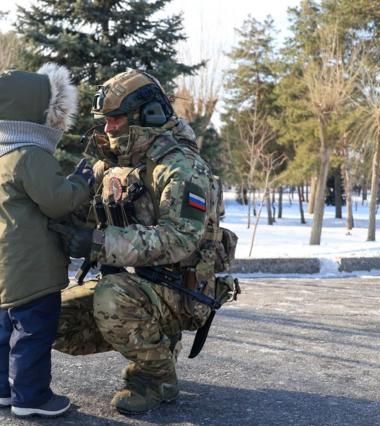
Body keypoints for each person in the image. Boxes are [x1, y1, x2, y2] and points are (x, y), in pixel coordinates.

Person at [51, 69, 233, 414]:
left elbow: (181, 238)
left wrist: (98, 244)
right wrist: (16, 228)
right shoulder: (113, 164)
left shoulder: (182, 167)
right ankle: (156, 346)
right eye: (105, 120)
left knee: (112, 297)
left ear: (146, 115)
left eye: (116, 118)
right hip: (136, 286)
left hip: (180, 291)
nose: (108, 128)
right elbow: (80, 217)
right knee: (51, 316)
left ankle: (157, 378)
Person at [0, 63, 92, 418]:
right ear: (37, 113)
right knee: (34, 334)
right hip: (34, 268)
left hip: (8, 267)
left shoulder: (1, 157)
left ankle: (5, 389)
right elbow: (58, 200)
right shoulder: (30, 155)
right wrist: (82, 180)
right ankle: (32, 398)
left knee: (6, 329)